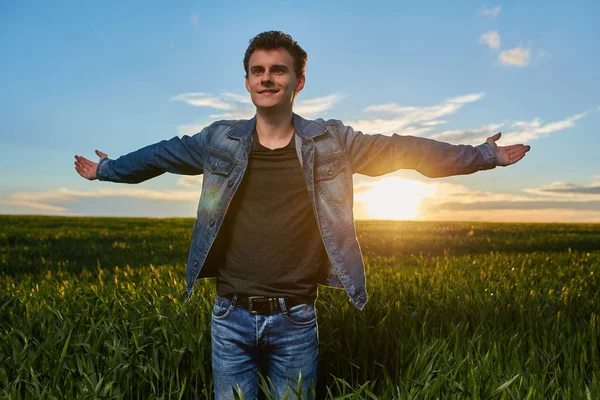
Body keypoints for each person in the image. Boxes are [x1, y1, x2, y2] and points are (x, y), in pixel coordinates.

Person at [74, 30, 530, 399]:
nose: (266, 78)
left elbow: (402, 150)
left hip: (296, 319)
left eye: (278, 70)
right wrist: (107, 170)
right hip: (228, 316)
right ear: (247, 81)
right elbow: (161, 155)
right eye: (257, 71)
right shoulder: (219, 140)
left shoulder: (332, 142)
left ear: (299, 81)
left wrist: (483, 156)